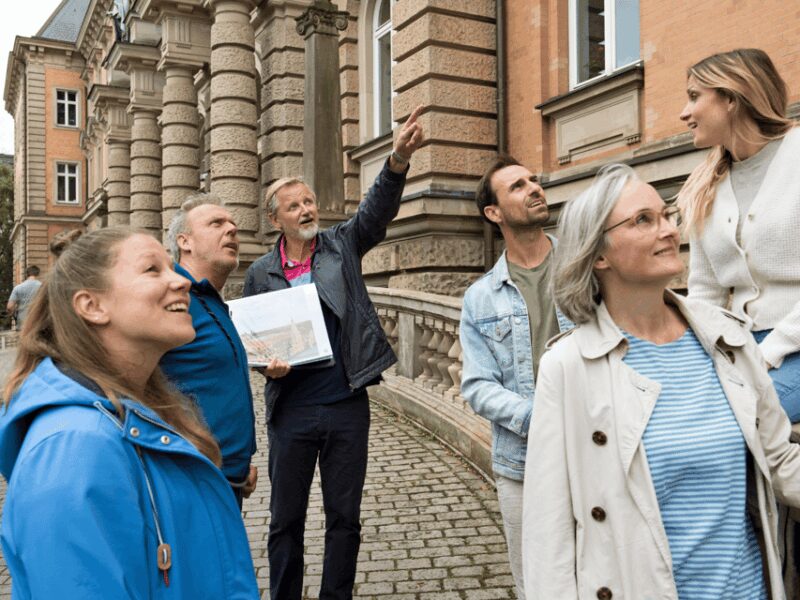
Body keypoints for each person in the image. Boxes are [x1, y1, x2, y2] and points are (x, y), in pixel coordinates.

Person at [522, 163, 800, 600]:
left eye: (666, 214)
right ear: (599, 255)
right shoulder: (570, 366)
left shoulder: (726, 338)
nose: (669, 230)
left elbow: (780, 462)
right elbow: (547, 531)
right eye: (643, 221)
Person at [0, 228, 259, 598]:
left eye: (172, 267)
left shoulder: (146, 409)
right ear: (92, 306)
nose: (180, 282)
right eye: (153, 270)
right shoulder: (73, 449)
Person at [243, 106, 424, 600]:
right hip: (291, 410)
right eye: (295, 205)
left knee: (344, 517)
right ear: (275, 218)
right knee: (285, 521)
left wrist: (397, 160)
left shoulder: (341, 246)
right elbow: (255, 342)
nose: (306, 210)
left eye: (310, 202)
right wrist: (266, 365)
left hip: (345, 403)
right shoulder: (260, 273)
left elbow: (374, 213)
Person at [460, 155, 571, 598]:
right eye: (518, 187)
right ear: (494, 213)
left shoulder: (585, 264)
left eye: (534, 180)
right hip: (523, 463)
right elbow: (477, 385)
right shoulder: (481, 298)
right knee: (536, 584)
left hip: (596, 445)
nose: (534, 188)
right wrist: (539, 417)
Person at [678, 48, 800, 422]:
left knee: (734, 424)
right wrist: (704, 360)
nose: (684, 113)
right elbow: (704, 292)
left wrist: (767, 354)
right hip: (742, 346)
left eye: (694, 97)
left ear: (731, 97)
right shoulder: (701, 186)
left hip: (793, 346)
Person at [161, 194, 258, 508]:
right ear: (185, 241)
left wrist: (240, 465)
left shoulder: (209, 297)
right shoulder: (173, 296)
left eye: (233, 224)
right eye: (216, 223)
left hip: (228, 478)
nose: (231, 230)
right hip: (194, 480)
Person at [6, 266, 41, 331]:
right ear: (38, 274)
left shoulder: (18, 288)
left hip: (22, 324)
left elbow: (9, 307)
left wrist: (13, 313)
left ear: (26, 275)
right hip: (38, 323)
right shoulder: (43, 287)